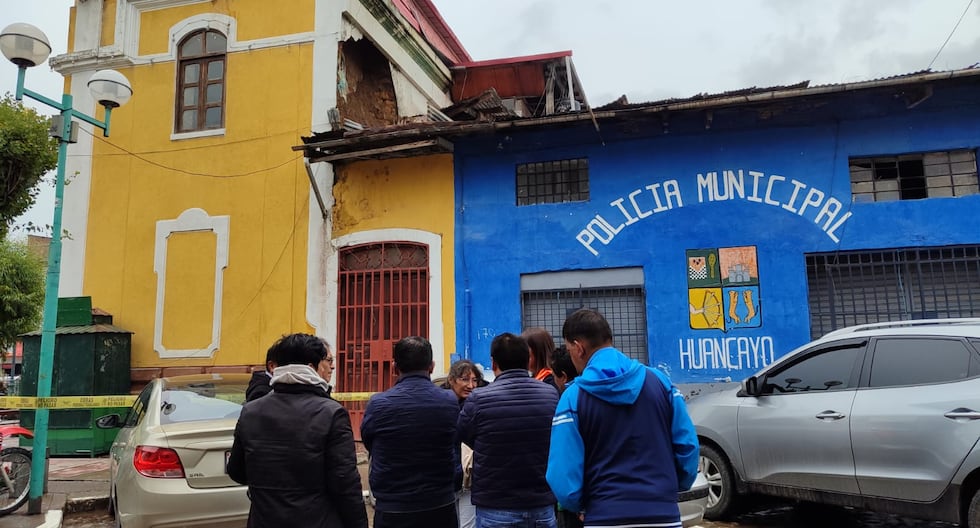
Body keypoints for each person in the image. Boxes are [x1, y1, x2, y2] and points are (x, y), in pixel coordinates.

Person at [547, 309, 699, 528]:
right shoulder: (661, 384)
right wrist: (669, 489)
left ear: (578, 348)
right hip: (663, 515)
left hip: (604, 517)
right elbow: (688, 448)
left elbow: (562, 474)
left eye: (569, 349)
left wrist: (580, 505)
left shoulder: (573, 398)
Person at [228, 333, 367, 528]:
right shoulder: (332, 413)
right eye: (326, 362)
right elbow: (345, 484)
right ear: (312, 367)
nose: (331, 367)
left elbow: (237, 471)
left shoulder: (251, 411)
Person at [457, 332, 559, 528]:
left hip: (496, 505)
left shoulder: (479, 399)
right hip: (541, 503)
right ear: (527, 359)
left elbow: (464, 435)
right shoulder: (550, 394)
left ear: (493, 363)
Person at [361, 336, 462, 528]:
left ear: (394, 367)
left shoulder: (378, 404)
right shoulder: (448, 401)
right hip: (439, 503)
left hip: (394, 507)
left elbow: (369, 442)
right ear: (431, 366)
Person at [443, 359, 485, 528]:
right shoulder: (441, 404)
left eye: (474, 380)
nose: (471, 385)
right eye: (465, 379)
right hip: (445, 480)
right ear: (452, 380)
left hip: (469, 479)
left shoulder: (479, 405)